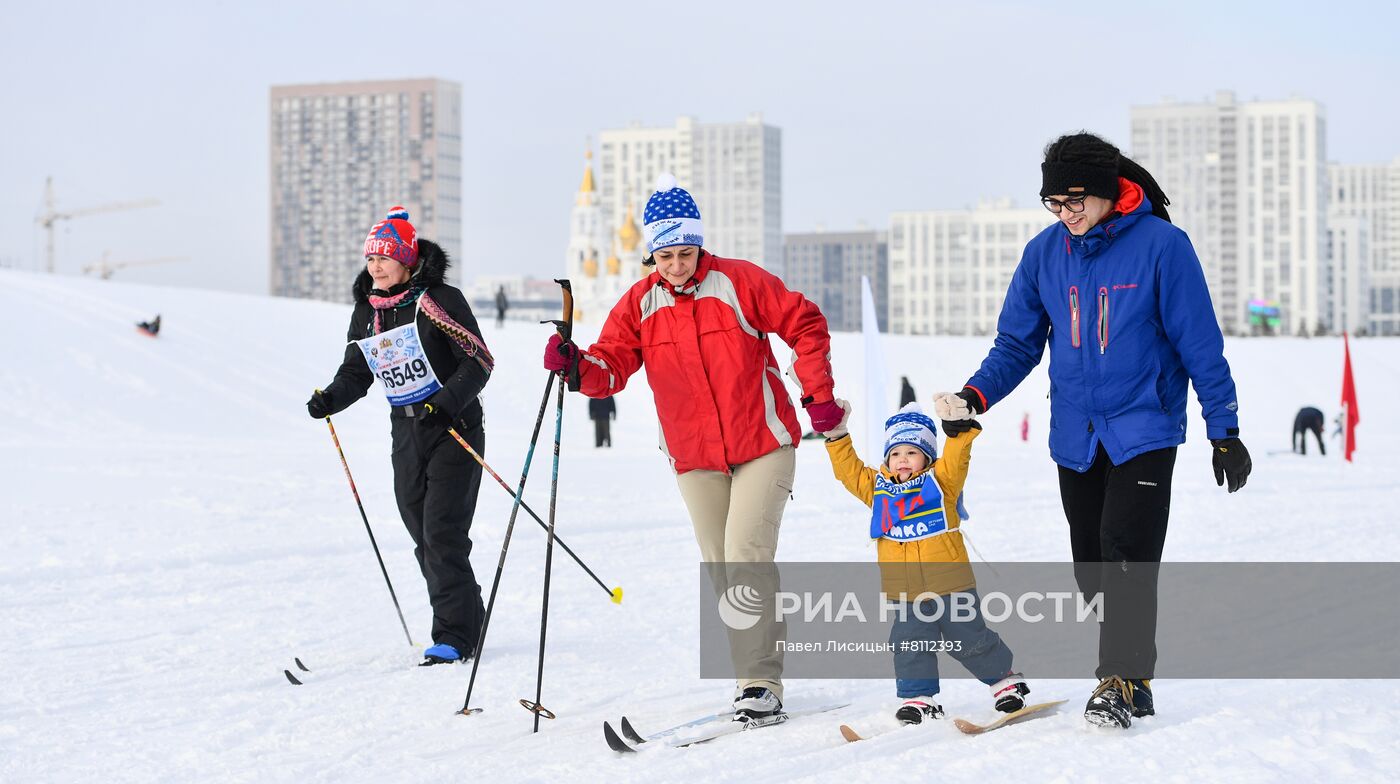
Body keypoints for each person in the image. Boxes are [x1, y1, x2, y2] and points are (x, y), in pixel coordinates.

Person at [935, 132, 1252, 729]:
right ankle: (1134, 675)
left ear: (1108, 191)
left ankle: (1122, 680)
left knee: (1125, 553)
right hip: (1075, 436)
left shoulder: (1164, 247)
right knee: (1092, 568)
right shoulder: (1043, 254)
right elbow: (1017, 344)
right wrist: (975, 395)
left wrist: (1224, 429)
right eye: (1054, 202)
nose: (1066, 212)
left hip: (1145, 428)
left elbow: (1200, 345)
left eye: (1075, 198)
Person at [541, 173, 841, 720]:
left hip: (763, 442)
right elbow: (611, 365)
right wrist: (578, 366)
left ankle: (760, 683)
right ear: (650, 255)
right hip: (694, 455)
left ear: (699, 245)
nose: (677, 265)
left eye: (685, 252)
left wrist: (817, 393)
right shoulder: (639, 303)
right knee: (722, 567)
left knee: (746, 554)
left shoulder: (739, 282)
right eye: (665, 256)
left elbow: (805, 322)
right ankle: (750, 675)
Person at [306, 207, 494, 666]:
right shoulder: (368, 311)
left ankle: (453, 636)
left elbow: (479, 361)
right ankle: (468, 615)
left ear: (408, 260)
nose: (376, 266)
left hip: (454, 428)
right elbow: (358, 370)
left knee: (442, 531)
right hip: (406, 431)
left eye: (386, 257)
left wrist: (446, 404)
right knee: (421, 534)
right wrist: (331, 398)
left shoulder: (440, 300)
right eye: (371, 258)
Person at [822, 399, 1029, 724]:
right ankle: (919, 698)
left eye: (912, 452)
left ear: (927, 457)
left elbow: (957, 460)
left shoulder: (941, 484)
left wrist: (958, 431)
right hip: (904, 592)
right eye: (896, 453)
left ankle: (1004, 682)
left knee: (969, 638)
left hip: (952, 585)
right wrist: (837, 437)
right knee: (909, 643)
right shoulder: (879, 490)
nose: (903, 459)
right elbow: (850, 473)